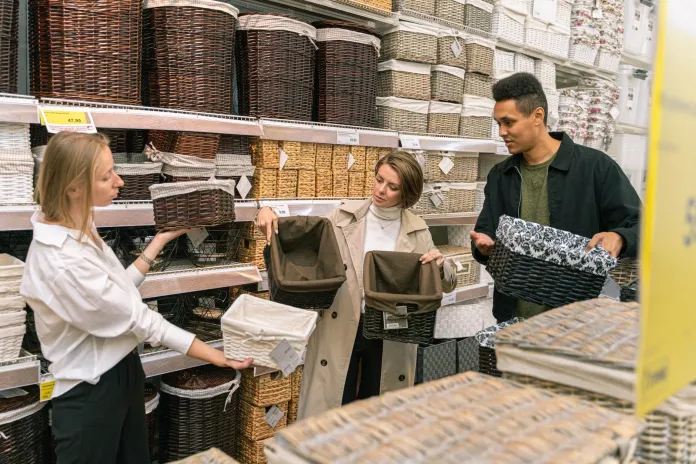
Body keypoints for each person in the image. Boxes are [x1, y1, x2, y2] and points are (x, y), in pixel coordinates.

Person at [19, 132, 252, 464]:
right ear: (73, 187)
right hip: (90, 392)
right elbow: (139, 320)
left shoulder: (76, 224)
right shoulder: (61, 261)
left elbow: (115, 294)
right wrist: (218, 356)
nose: (121, 182)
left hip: (122, 370)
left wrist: (158, 242)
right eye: (107, 176)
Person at [256, 152, 457, 419]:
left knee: (378, 414)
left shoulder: (418, 231)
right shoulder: (342, 218)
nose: (381, 190)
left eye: (392, 186)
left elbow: (449, 282)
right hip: (342, 325)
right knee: (333, 411)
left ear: (407, 193)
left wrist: (441, 266)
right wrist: (266, 212)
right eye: (379, 180)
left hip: (391, 330)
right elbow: (300, 235)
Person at [471, 73, 642, 322]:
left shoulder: (595, 167)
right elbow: (485, 231)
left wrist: (619, 237)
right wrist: (483, 247)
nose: (502, 132)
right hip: (513, 321)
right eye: (498, 123)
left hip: (577, 323)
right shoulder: (501, 175)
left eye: (509, 122)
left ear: (538, 116)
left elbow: (643, 225)